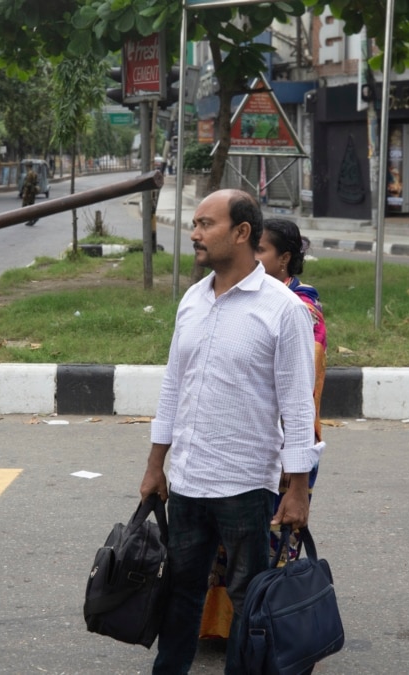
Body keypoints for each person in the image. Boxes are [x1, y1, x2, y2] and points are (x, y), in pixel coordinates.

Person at [140, 189, 324, 674]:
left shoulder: (283, 309)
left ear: (242, 233)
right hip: (187, 481)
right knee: (180, 594)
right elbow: (173, 389)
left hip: (246, 485)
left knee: (248, 600)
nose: (195, 234)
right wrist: (156, 464)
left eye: (206, 224)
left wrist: (299, 488)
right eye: (195, 224)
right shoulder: (192, 300)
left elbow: (297, 407)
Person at [198, 217, 328, 641]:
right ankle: (225, 628)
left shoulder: (300, 308)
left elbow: (301, 392)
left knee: (270, 545)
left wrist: (295, 468)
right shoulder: (234, 296)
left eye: (263, 252)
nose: (252, 258)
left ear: (284, 259)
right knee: (225, 544)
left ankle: (268, 632)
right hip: (233, 447)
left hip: (282, 446)